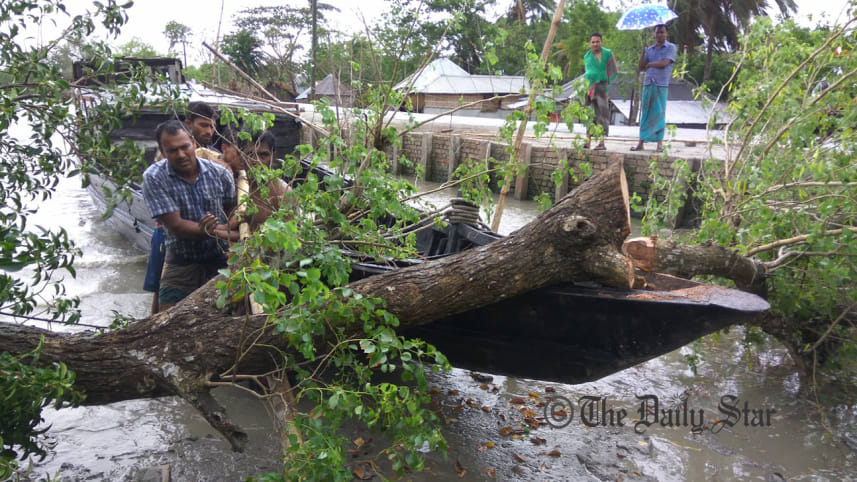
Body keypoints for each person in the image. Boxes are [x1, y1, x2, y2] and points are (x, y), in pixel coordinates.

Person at [142, 120, 238, 312]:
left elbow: (232, 216)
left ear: (193, 143)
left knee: (226, 318)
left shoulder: (220, 174)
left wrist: (220, 231)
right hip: (182, 259)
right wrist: (213, 230)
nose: (181, 155)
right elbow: (176, 225)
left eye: (185, 147)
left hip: (220, 257)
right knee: (167, 321)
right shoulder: (153, 177)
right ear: (162, 151)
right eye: (172, 150)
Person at [632, 24, 676, 153]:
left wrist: (650, 64)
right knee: (645, 112)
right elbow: (641, 67)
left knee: (659, 113)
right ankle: (641, 142)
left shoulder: (671, 47)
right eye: (657, 33)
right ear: (654, 34)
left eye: (662, 32)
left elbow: (665, 63)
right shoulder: (650, 50)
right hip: (648, 83)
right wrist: (643, 52)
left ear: (666, 34)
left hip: (661, 84)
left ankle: (659, 143)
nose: (659, 35)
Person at [583, 32, 618, 151]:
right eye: (593, 42)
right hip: (589, 87)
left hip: (602, 87)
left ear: (601, 42)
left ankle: (601, 142)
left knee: (602, 113)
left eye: (597, 41)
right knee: (589, 114)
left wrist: (604, 81)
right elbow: (589, 72)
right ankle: (588, 141)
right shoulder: (587, 56)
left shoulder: (607, 53)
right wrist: (589, 87)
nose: (595, 44)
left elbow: (611, 68)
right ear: (590, 43)